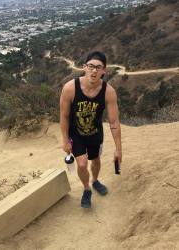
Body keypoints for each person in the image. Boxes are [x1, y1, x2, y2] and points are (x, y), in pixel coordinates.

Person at [60, 51, 122, 208]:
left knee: (95, 159)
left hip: (95, 133)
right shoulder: (70, 88)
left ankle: (95, 180)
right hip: (76, 133)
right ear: (84, 67)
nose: (94, 71)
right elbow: (64, 116)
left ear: (104, 71)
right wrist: (65, 140)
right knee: (81, 164)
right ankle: (87, 188)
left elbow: (114, 122)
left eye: (98, 67)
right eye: (91, 66)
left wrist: (118, 149)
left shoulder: (108, 92)